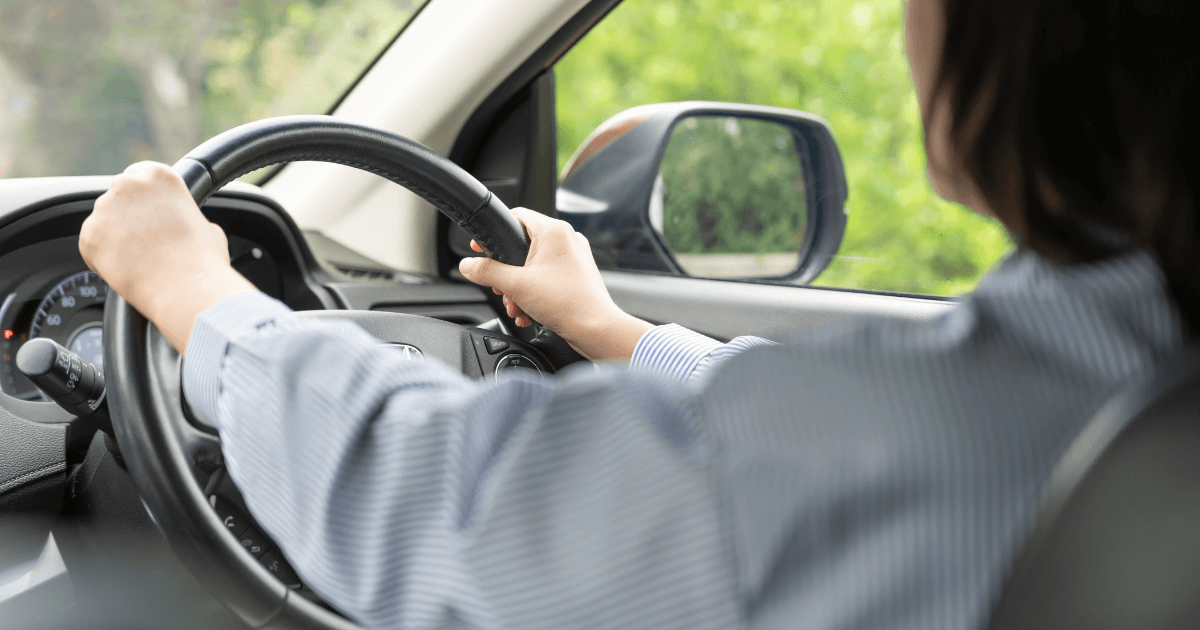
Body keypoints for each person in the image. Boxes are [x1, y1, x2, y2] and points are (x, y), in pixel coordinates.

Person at [78, 0, 1196, 628]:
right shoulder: (1132, 353)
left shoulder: (962, 425)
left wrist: (194, 295)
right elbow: (798, 447)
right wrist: (613, 330)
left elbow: (454, 513)